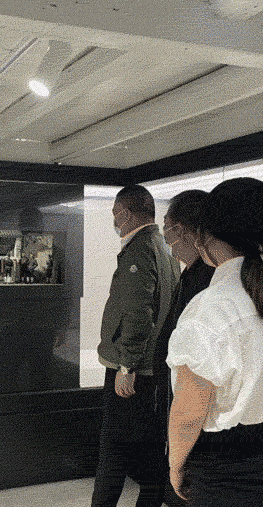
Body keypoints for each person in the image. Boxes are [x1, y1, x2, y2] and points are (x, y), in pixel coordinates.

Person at [166, 177, 263, 507]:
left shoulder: (209, 308)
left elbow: (189, 410)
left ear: (204, 236)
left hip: (218, 466)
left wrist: (175, 465)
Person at [91, 185, 180, 507]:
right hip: (154, 367)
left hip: (132, 369)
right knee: (151, 450)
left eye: (116, 215)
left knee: (113, 451)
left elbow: (138, 313)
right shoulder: (164, 246)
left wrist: (126, 365)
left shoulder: (139, 250)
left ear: (126, 214)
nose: (115, 222)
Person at [152, 191, 215, 476]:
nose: (164, 235)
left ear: (182, 230)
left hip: (197, 419)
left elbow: (197, 372)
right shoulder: (190, 273)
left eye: (166, 226)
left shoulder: (207, 279)